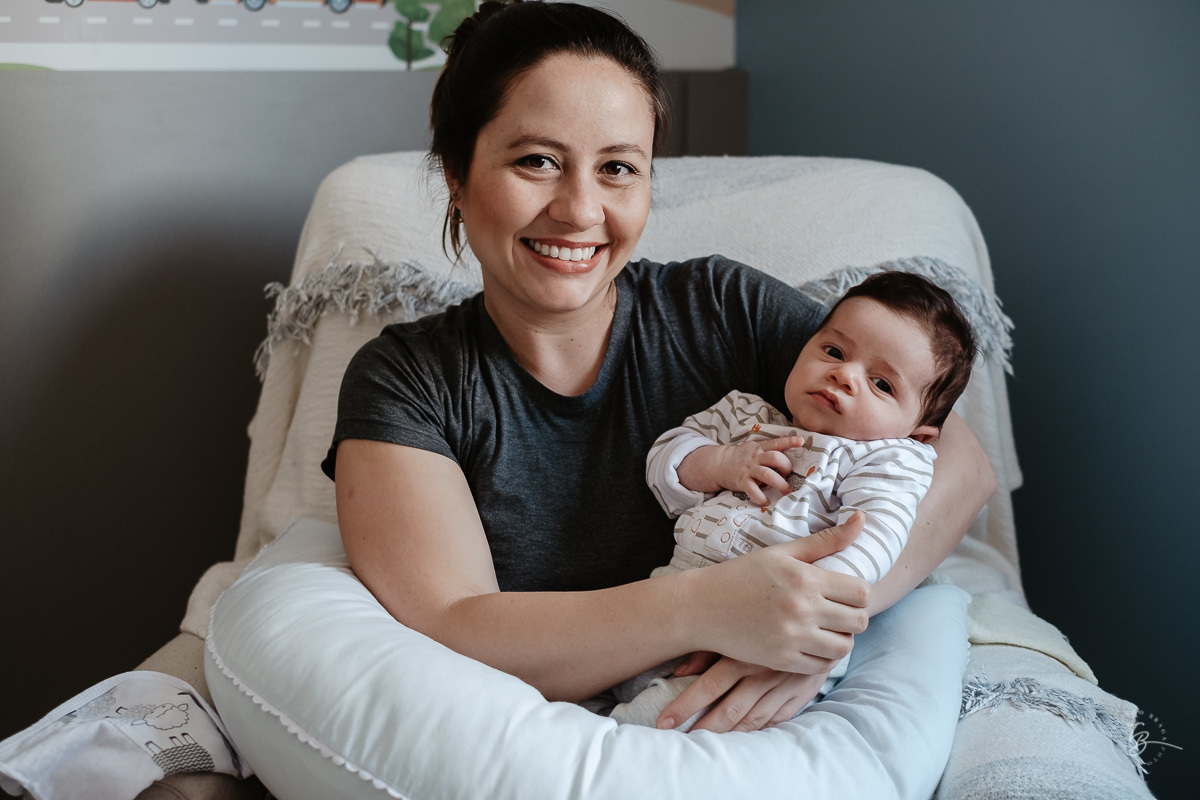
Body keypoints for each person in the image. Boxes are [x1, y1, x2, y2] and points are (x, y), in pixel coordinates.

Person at [324, 0, 994, 740]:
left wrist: (823, 620)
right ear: (456, 173)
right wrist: (711, 607)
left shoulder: (717, 306)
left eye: (618, 168)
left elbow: (959, 462)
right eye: (537, 161)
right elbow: (455, 628)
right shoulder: (408, 381)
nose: (581, 210)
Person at [609, 271, 977, 729]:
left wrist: (811, 608)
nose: (844, 375)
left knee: (649, 725)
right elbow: (665, 461)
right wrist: (722, 463)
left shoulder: (887, 460)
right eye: (834, 351)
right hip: (673, 593)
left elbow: (876, 534)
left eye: (882, 385)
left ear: (918, 433)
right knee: (597, 685)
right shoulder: (748, 416)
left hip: (772, 625)